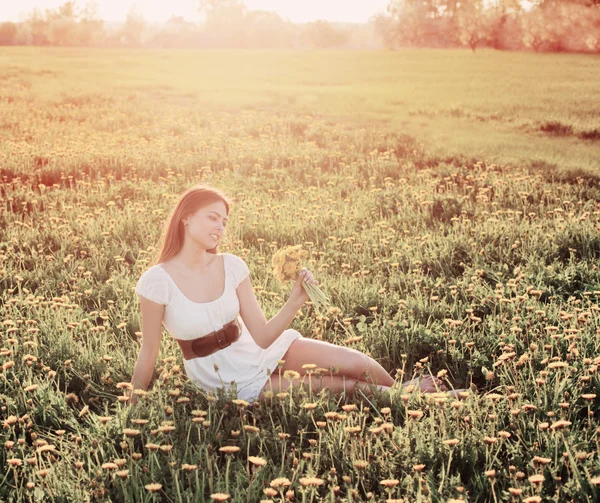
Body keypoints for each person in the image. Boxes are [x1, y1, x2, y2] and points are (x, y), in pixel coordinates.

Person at [129, 184, 451, 406]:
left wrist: (296, 298)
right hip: (219, 376)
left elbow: (264, 336)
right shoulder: (157, 281)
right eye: (213, 217)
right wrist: (132, 406)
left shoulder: (232, 266)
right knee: (342, 387)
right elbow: (149, 352)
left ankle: (404, 393)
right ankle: (418, 399)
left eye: (224, 222)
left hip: (254, 349)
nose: (220, 227)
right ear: (185, 217)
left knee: (358, 362)